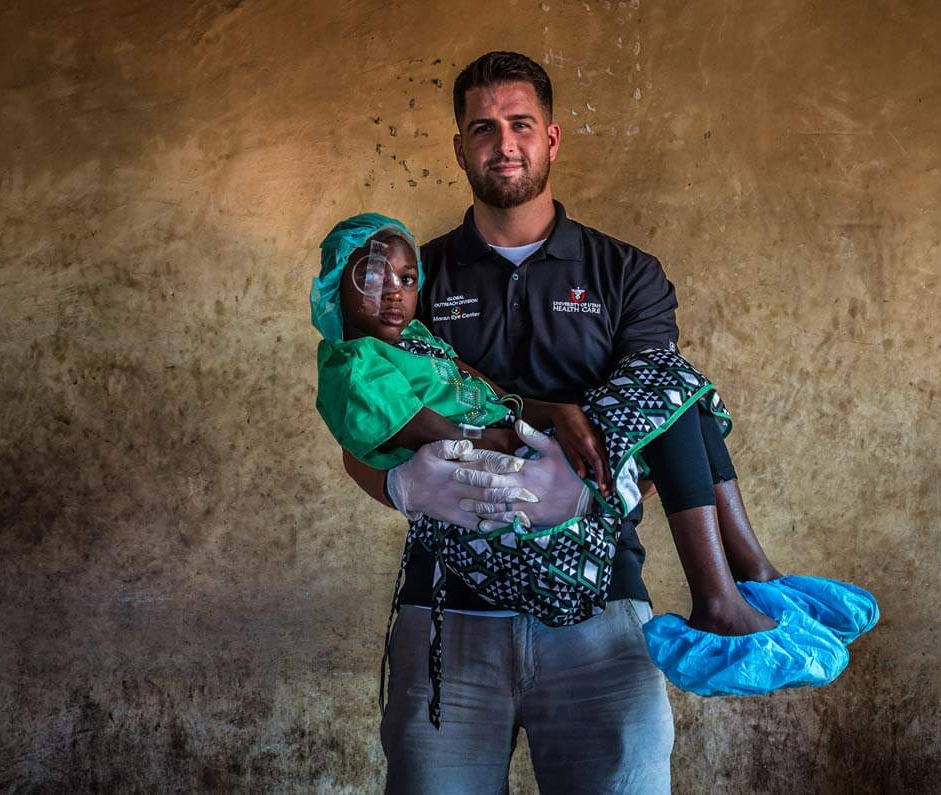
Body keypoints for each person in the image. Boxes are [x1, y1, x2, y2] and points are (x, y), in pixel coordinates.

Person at [328, 52, 873, 793]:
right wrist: (401, 487)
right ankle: (739, 582)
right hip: (449, 608)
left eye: (520, 124)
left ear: (552, 138)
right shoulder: (412, 279)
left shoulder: (625, 272)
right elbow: (360, 435)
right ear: (459, 146)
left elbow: (668, 421)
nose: (503, 143)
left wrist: (585, 490)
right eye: (482, 128)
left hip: (602, 609)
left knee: (672, 382)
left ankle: (739, 584)